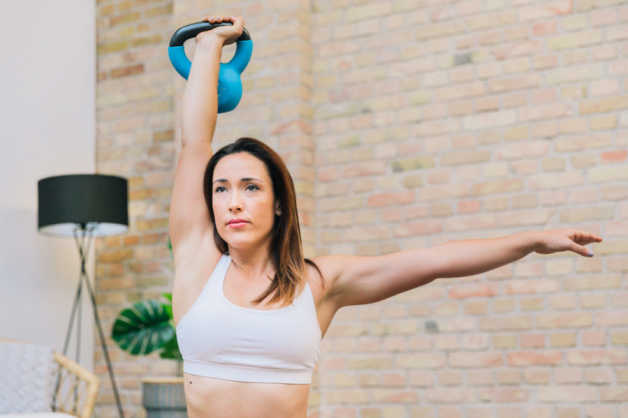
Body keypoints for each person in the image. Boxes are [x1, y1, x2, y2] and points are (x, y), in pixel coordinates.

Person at [169, 15, 604, 418]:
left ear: (279, 203)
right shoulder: (197, 261)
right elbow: (195, 143)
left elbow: (433, 262)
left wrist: (530, 241)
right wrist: (208, 47)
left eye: (251, 187)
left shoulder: (317, 283)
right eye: (221, 189)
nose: (234, 201)